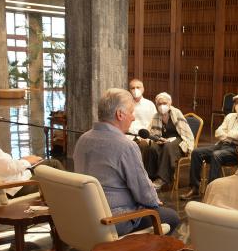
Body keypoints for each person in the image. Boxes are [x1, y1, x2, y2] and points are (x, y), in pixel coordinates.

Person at [73, 88, 180, 239]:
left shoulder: (83, 139)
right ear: (120, 114)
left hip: (85, 216)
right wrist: (154, 201)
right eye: (131, 112)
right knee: (171, 217)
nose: (134, 118)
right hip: (113, 221)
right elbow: (144, 193)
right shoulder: (125, 146)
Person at [180, 93, 238, 200]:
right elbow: (218, 132)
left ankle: (212, 191)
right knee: (196, 152)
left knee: (216, 155)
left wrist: (227, 134)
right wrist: (231, 135)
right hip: (222, 145)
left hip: (236, 150)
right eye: (237, 103)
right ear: (234, 105)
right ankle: (194, 187)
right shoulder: (229, 116)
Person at [146, 92, 195, 189]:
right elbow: (152, 133)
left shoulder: (176, 113)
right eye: (159, 104)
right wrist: (158, 139)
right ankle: (150, 177)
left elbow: (185, 132)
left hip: (179, 139)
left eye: (164, 103)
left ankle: (162, 178)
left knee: (168, 147)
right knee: (152, 148)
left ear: (170, 103)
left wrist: (170, 141)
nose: (162, 106)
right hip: (163, 140)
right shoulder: (156, 115)